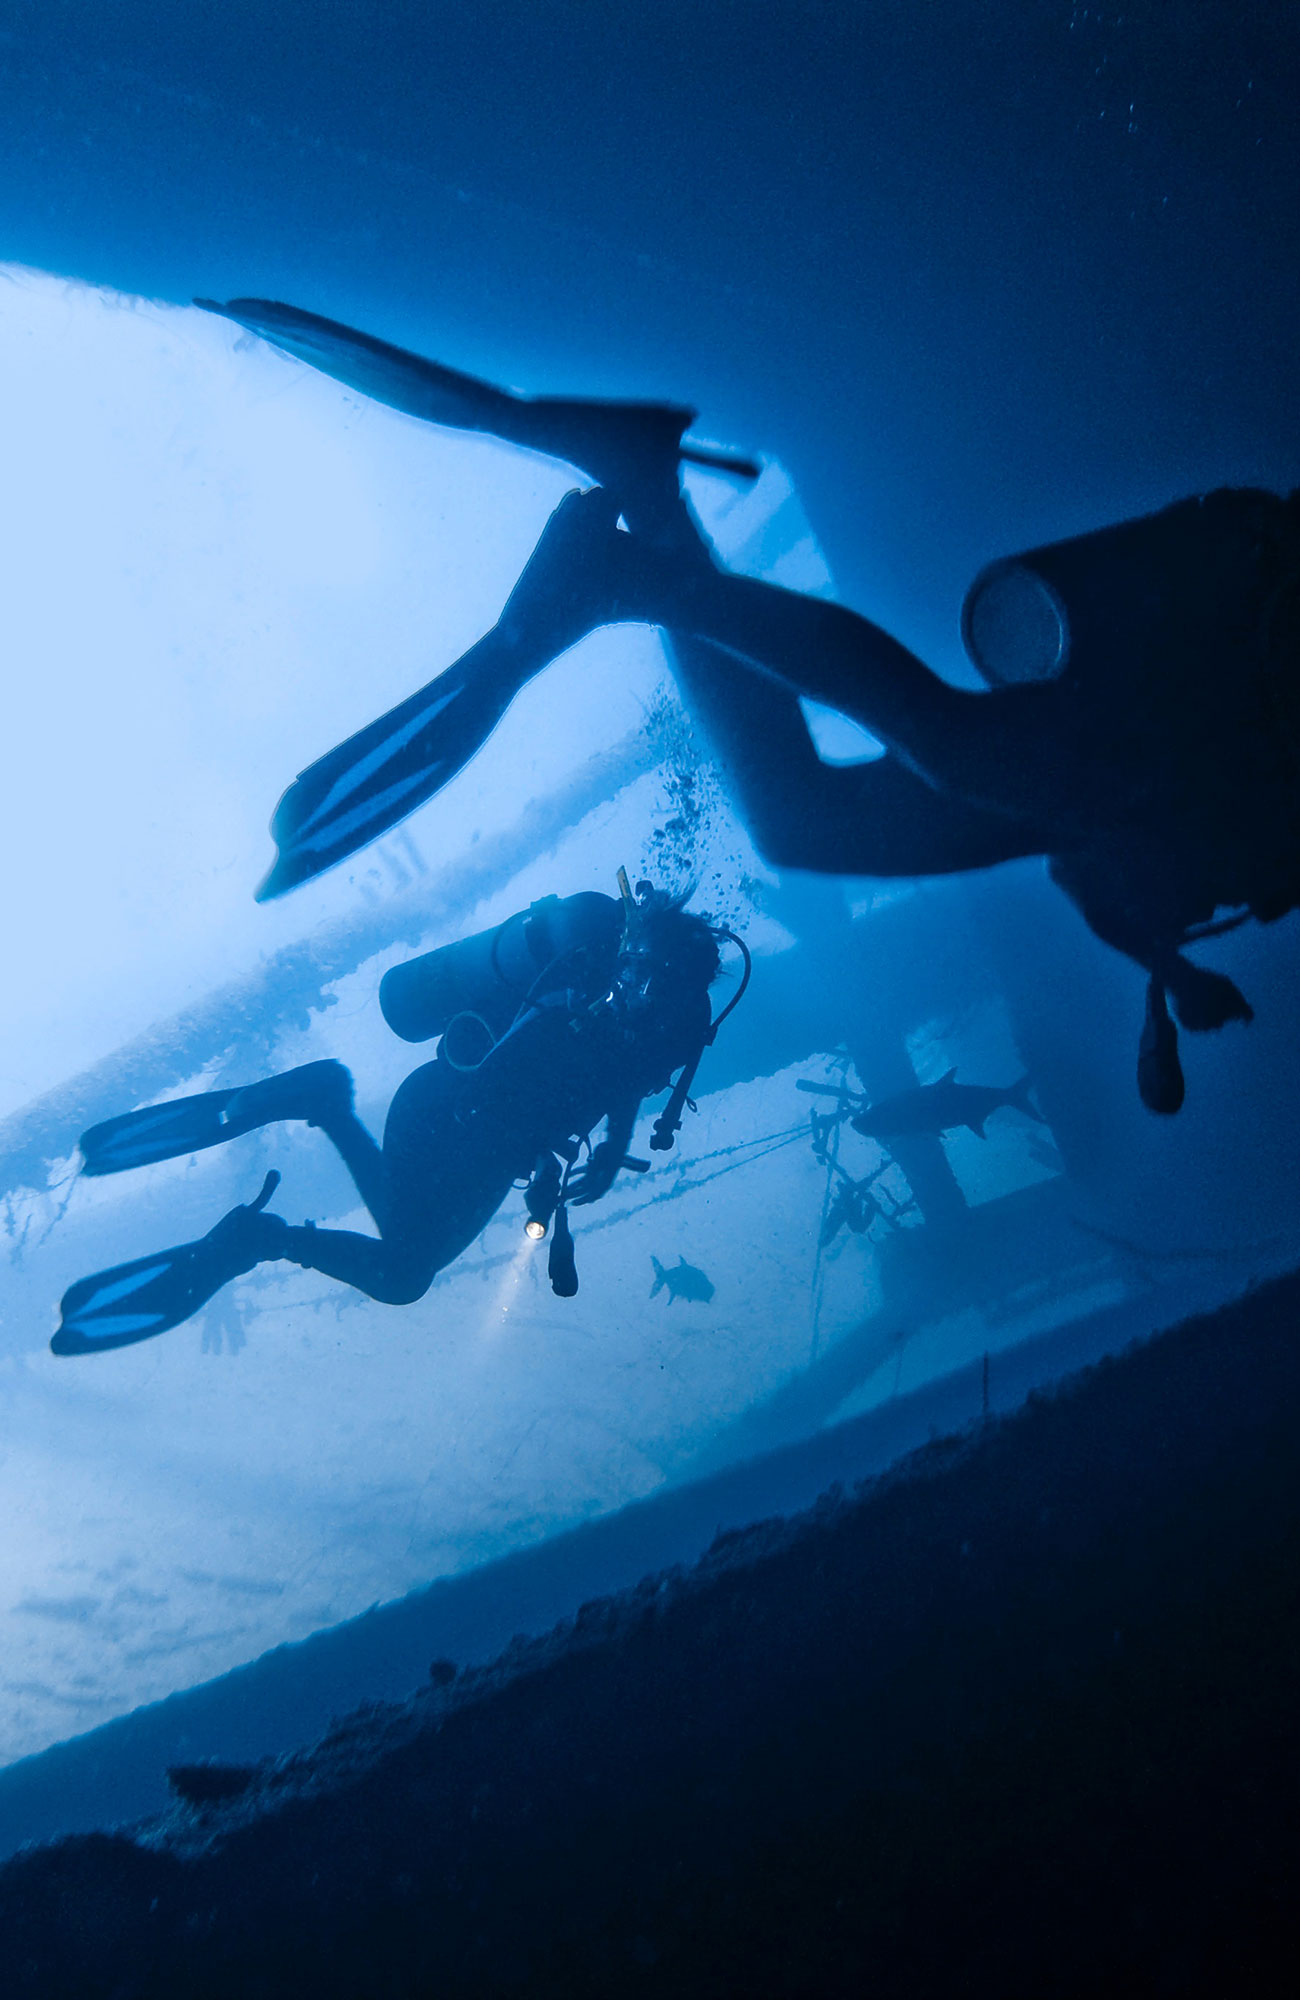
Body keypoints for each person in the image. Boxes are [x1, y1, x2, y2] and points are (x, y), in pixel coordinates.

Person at [200, 302, 1300, 1112]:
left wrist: (1172, 970)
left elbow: (1092, 866)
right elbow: (1115, 852)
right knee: (960, 748)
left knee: (802, 822)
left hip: (1185, 759)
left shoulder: (1160, 866)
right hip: (1240, 691)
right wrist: (1171, 963)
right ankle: (633, 582)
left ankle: (645, 492)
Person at [54, 880, 742, 1354]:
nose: (641, 1000)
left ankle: (308, 1138)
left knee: (404, 1269)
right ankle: (313, 1131)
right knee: (404, 1269)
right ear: (637, 961)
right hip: (445, 1110)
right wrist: (561, 1154)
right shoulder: (585, 990)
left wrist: (606, 1145)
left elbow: (611, 1082)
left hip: (484, 1137)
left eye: (658, 997)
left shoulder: (659, 1029)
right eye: (641, 982)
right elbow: (516, 1080)